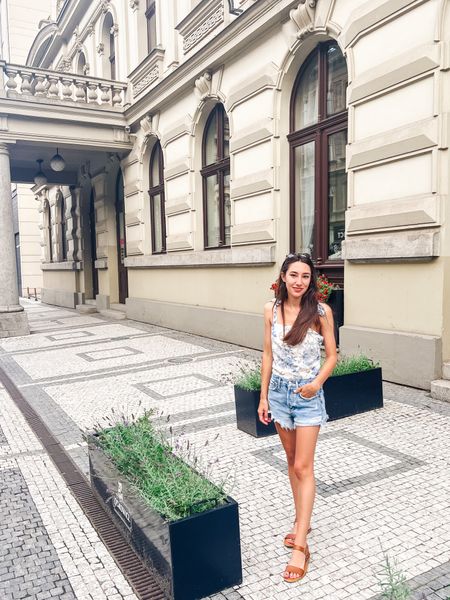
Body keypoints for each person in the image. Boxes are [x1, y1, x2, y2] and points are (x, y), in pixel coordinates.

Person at [258, 253, 337, 583]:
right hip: (278, 393)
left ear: (312, 280)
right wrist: (263, 396)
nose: (299, 281)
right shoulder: (271, 310)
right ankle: (301, 520)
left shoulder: (320, 313)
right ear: (284, 276)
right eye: (294, 275)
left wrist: (315, 384)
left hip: (307, 398)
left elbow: (332, 356)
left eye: (305, 276)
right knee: (291, 461)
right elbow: (267, 353)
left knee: (304, 466)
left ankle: (300, 544)